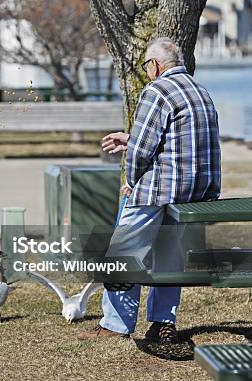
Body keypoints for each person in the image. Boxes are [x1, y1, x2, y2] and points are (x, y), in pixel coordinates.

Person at [78, 37, 221, 343]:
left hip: (161, 189)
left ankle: (116, 324)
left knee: (125, 250)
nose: (146, 71)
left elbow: (142, 152)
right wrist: (130, 138)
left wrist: (130, 180)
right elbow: (179, 143)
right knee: (169, 254)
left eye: (146, 65)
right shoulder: (200, 91)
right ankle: (162, 322)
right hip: (196, 191)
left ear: (155, 65)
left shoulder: (157, 90)